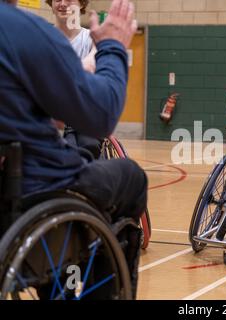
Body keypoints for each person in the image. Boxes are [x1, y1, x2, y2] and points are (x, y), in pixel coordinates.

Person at [0, 0, 146, 298]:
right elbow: (101, 115)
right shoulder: (22, 30)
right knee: (131, 177)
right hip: (30, 188)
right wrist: (113, 48)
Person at [46, 0, 103, 159]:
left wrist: (91, 59)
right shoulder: (42, 36)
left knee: (89, 147)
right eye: (57, 0)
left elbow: (98, 54)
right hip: (51, 117)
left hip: (82, 117)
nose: (63, 4)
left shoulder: (91, 38)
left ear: (81, 4)